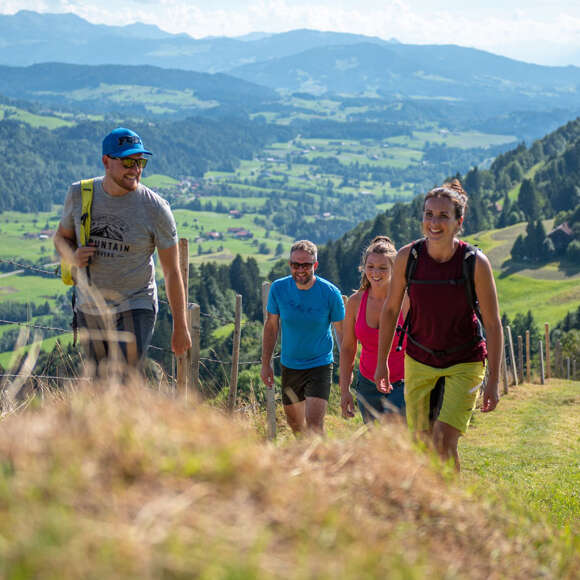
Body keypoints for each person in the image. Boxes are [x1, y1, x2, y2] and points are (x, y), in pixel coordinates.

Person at [374, 179, 502, 470]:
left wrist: (493, 381)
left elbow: (493, 325)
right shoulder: (409, 257)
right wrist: (382, 362)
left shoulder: (475, 262)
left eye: (443, 216)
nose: (434, 222)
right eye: (429, 214)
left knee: (443, 440)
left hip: (465, 359)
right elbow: (391, 309)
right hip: (419, 357)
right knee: (422, 443)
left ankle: (453, 510)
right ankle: (431, 503)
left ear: (459, 222)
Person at [54, 127, 191, 371]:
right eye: (128, 161)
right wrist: (73, 256)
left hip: (136, 304)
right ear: (106, 161)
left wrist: (180, 326)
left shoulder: (156, 209)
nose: (135, 169)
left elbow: (171, 272)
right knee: (100, 387)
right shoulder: (79, 194)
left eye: (140, 162)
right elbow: (61, 239)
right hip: (90, 306)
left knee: (122, 376)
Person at [261, 240, 345, 435]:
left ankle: (322, 463)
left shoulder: (330, 293)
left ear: (315, 265)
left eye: (306, 265)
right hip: (290, 365)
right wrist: (266, 363)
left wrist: (345, 369)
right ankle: (304, 459)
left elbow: (342, 331)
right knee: (295, 425)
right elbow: (271, 327)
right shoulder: (279, 289)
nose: (300, 269)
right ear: (289, 264)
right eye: (295, 264)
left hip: (320, 363)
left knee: (314, 425)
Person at [339, 236, 409, 423]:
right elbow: (347, 348)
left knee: (393, 435)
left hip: (402, 382)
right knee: (375, 444)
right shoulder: (355, 302)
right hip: (367, 385)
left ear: (395, 269)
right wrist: (345, 390)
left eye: (383, 268)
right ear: (364, 268)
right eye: (370, 267)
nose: (375, 273)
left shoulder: (407, 300)